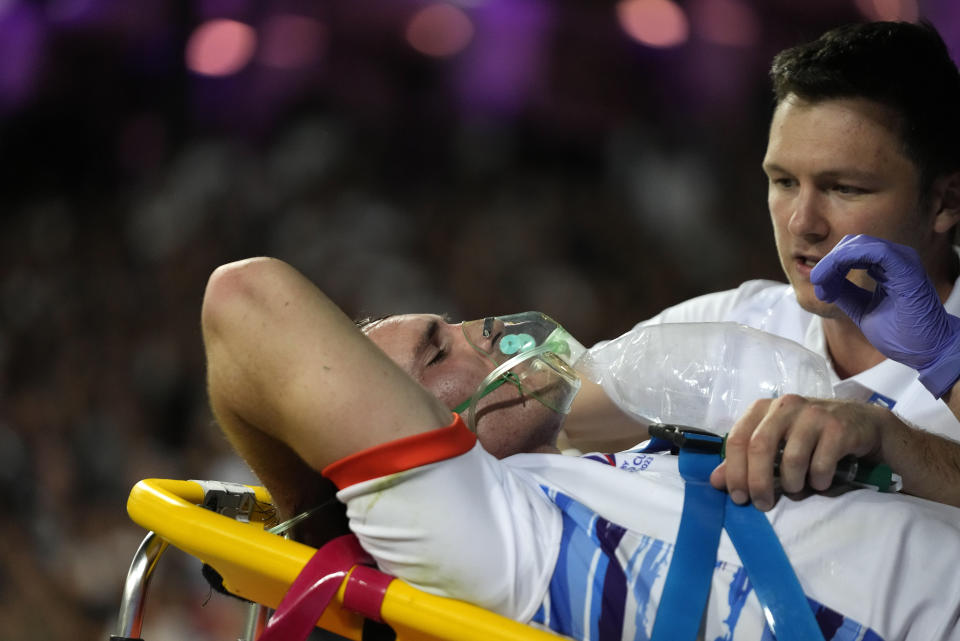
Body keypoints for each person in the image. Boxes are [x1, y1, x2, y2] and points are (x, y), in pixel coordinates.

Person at [201, 256, 960, 641]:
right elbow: (241, 298)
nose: (486, 332)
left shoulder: (609, 456)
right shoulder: (481, 538)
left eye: (456, 322)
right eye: (441, 352)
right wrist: (326, 526)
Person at [565, 20, 960, 511]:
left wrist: (945, 365)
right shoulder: (729, 328)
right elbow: (544, 414)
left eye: (845, 188)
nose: (802, 222)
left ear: (946, 201)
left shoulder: (951, 355)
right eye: (784, 181)